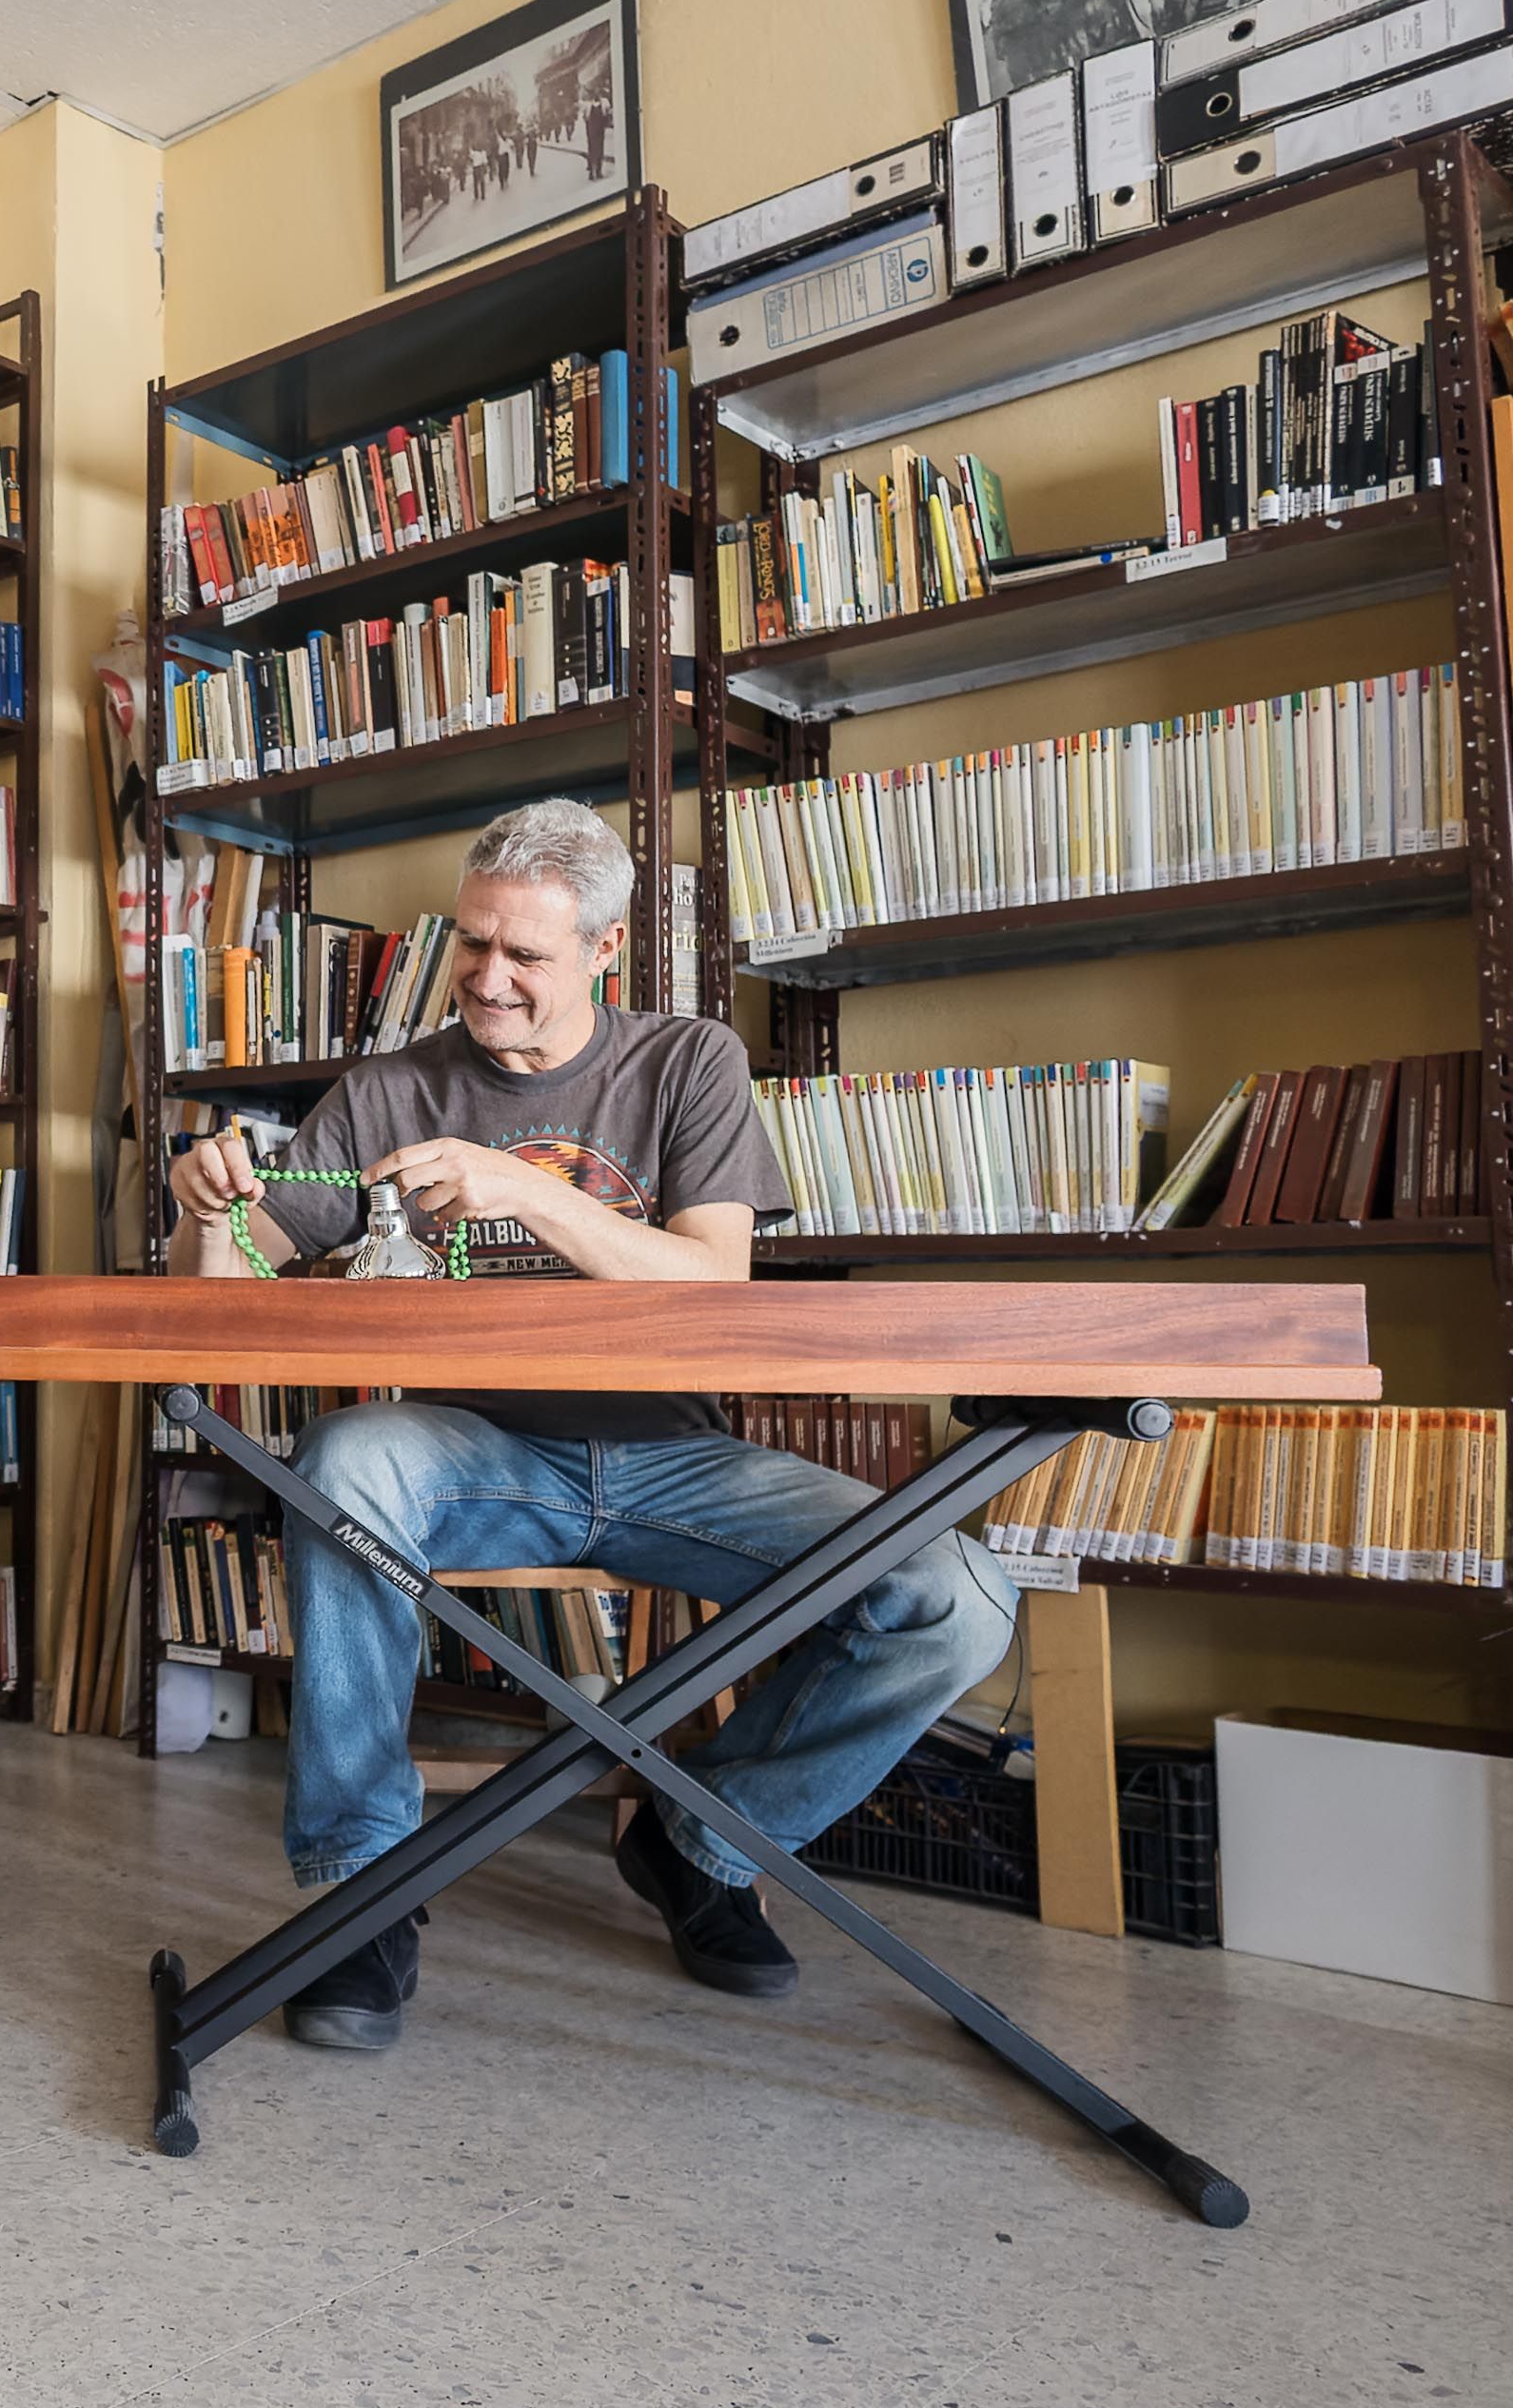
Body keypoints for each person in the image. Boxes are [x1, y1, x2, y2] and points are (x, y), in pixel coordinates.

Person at [162, 801, 1014, 2049]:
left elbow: (712, 1280)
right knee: (342, 1459)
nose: (487, 980)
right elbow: (212, 1310)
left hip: (679, 1459)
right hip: (474, 1457)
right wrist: (202, 1207)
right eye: (471, 945)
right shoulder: (392, 1088)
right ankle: (362, 1893)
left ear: (604, 950)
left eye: (526, 956)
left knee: (956, 1594)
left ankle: (702, 1841)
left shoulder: (687, 1062)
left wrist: (522, 1187)